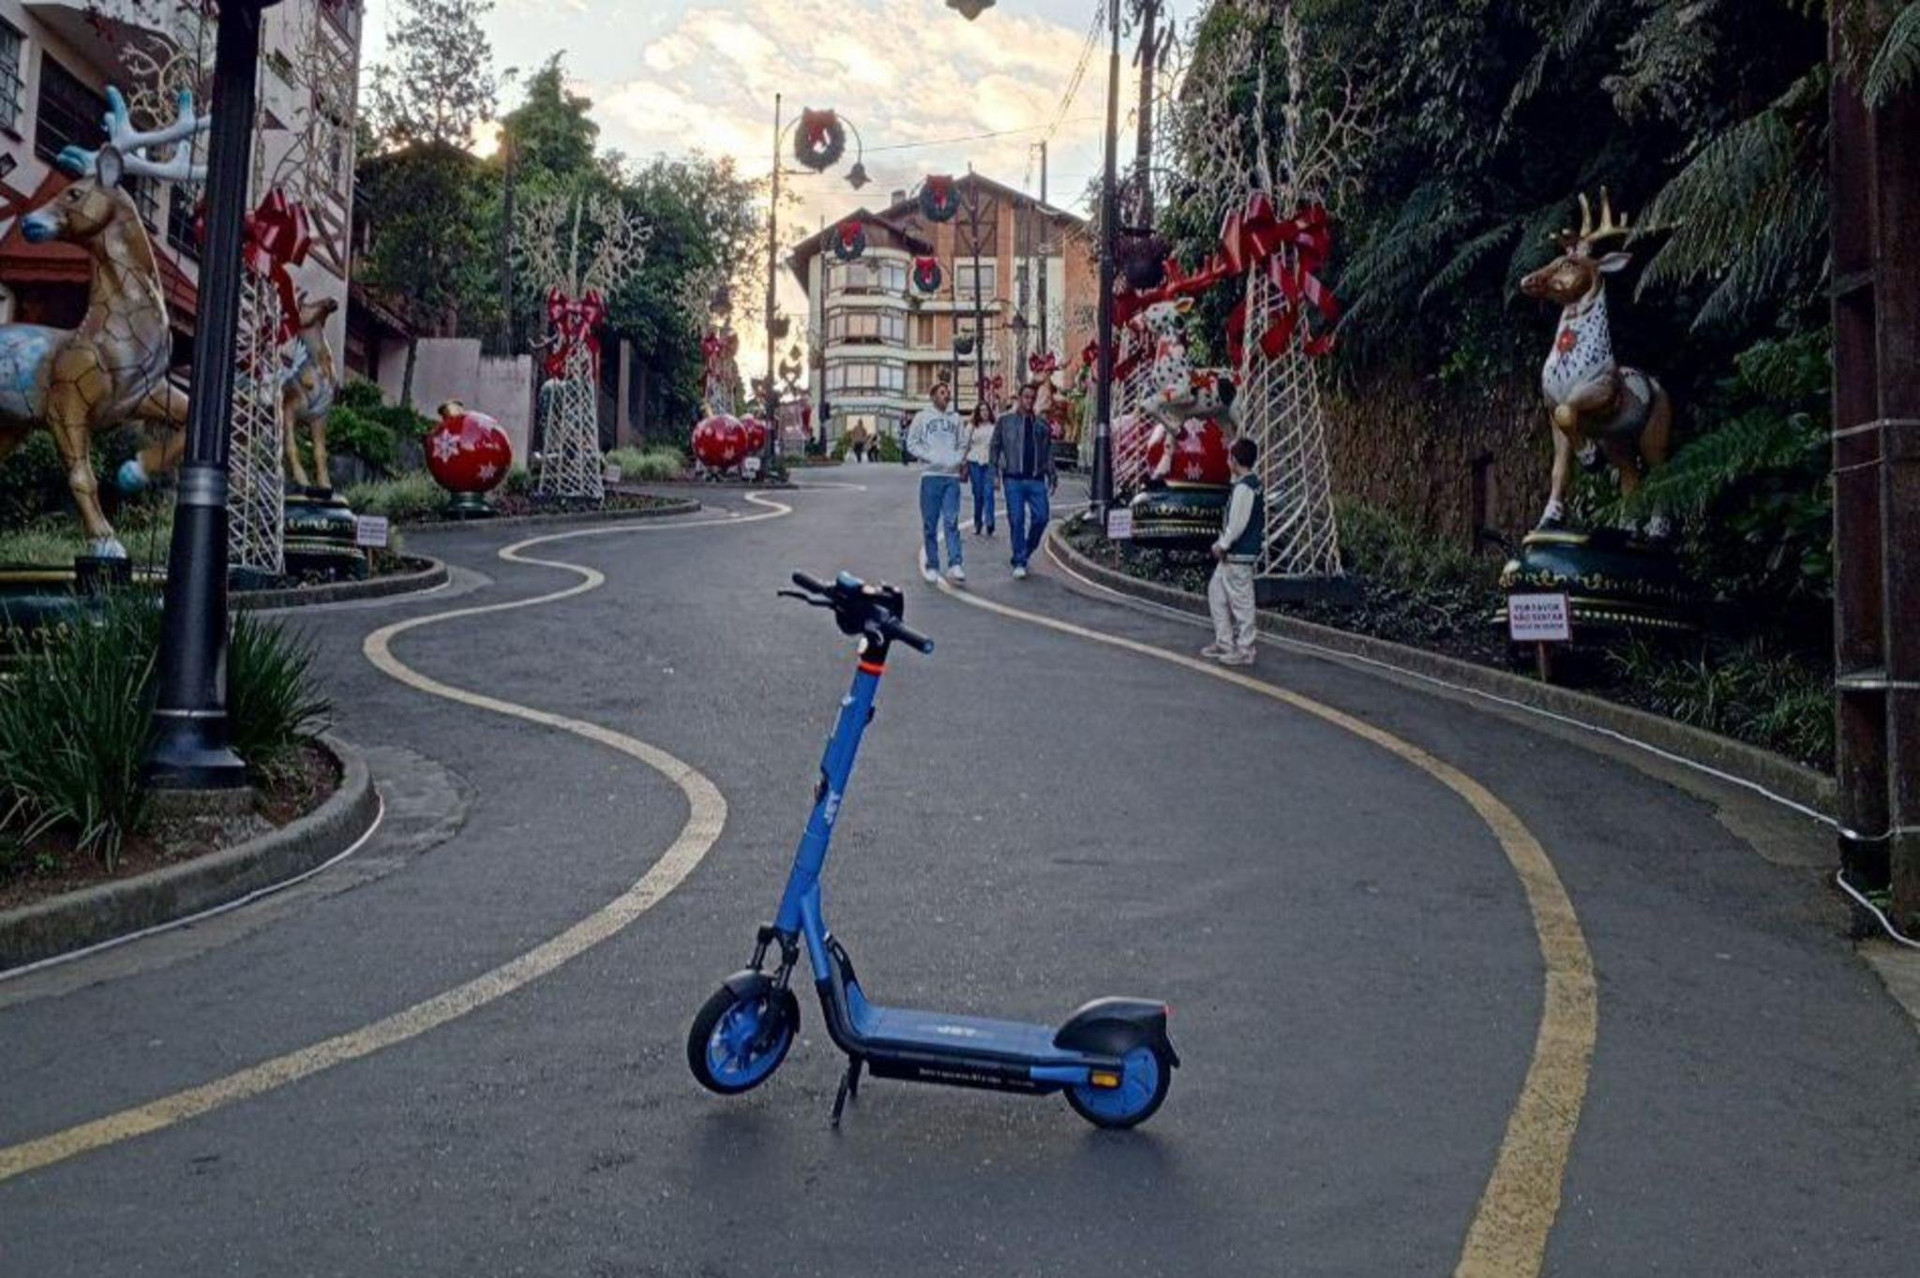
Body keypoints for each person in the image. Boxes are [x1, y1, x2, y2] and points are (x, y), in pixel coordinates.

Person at [1204, 437, 1263, 666]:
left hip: (1237, 554)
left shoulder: (1243, 488)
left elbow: (1237, 523)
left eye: (1230, 457)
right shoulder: (1250, 484)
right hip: (1235, 555)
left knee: (1241, 602)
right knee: (1216, 593)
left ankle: (1245, 648)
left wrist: (1222, 544)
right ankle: (1225, 641)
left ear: (1235, 460)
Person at [990, 382, 1057, 579]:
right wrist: (994, 474)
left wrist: (1052, 474)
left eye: (1032, 398)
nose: (1029, 401)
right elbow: (994, 447)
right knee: (1016, 520)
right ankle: (1019, 561)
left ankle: (1026, 550)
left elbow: (1048, 452)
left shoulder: (1041, 425)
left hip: (1036, 479)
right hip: (1013, 479)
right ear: (1019, 398)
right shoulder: (1005, 421)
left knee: (1042, 517)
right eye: (1026, 397)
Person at [906, 382, 969, 583]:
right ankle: (933, 565)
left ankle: (955, 564)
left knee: (951, 520)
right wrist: (929, 457)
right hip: (931, 476)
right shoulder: (922, 417)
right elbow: (912, 443)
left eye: (948, 392)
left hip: (951, 477)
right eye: (942, 393)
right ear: (933, 396)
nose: (947, 396)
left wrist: (956, 460)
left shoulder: (956, 418)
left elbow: (962, 443)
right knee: (930, 523)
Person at [964, 400, 997, 538]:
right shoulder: (971, 427)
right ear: (978, 412)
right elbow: (965, 444)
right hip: (974, 462)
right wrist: (962, 461)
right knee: (978, 495)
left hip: (989, 463)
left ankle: (990, 522)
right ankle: (978, 523)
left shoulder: (995, 426)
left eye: (986, 410)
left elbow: (998, 446)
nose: (984, 413)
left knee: (988, 493)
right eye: (982, 410)